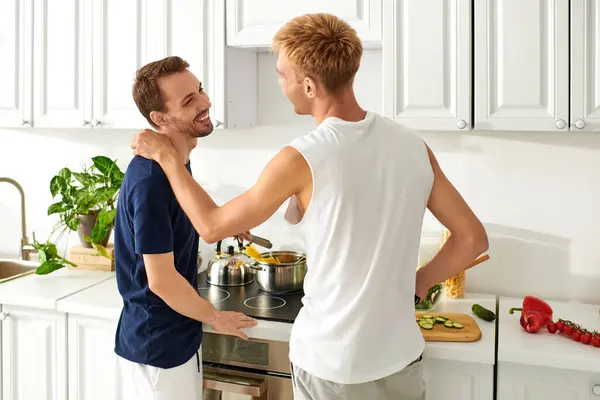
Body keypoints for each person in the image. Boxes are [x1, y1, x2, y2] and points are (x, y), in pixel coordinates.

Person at [129, 14, 488, 400]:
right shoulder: (413, 146)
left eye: (282, 75)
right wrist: (418, 282)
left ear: (310, 86)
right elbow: (471, 239)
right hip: (402, 357)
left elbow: (212, 227)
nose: (280, 84)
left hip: (332, 363)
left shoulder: (301, 158)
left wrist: (167, 159)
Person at [113, 55, 257, 400]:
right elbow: (161, 281)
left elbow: (185, 207)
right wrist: (215, 317)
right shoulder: (150, 179)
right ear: (160, 119)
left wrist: (221, 223)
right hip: (158, 349)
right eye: (189, 100)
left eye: (200, 90)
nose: (205, 102)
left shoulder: (174, 164)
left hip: (174, 337)